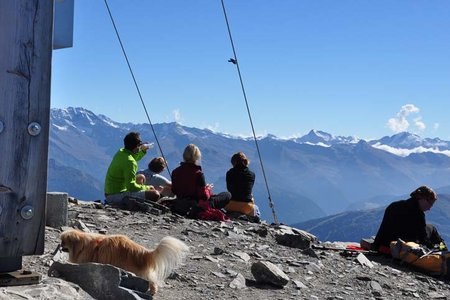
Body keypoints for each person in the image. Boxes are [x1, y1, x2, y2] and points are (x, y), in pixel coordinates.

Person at [373, 185, 445, 254]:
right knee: (432, 228)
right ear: (422, 199)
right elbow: (423, 239)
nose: (429, 208)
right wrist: (432, 248)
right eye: (430, 204)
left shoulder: (394, 206)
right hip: (402, 250)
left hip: (382, 246)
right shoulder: (419, 215)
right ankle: (444, 251)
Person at [171, 144, 231, 216]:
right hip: (197, 205)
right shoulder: (198, 173)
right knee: (227, 194)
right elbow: (204, 196)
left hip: (180, 202)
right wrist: (208, 189)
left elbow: (174, 190)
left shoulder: (175, 172)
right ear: (197, 157)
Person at [104, 132, 160, 205]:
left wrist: (142, 151)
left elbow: (133, 157)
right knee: (155, 194)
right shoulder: (130, 162)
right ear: (137, 146)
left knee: (141, 177)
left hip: (109, 192)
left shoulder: (121, 152)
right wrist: (147, 188)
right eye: (140, 145)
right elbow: (131, 187)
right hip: (115, 195)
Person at [224, 152, 259, 218]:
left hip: (230, 205)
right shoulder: (252, 174)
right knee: (256, 208)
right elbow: (248, 189)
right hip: (246, 207)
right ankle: (254, 219)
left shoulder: (229, 173)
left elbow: (229, 188)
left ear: (234, 162)